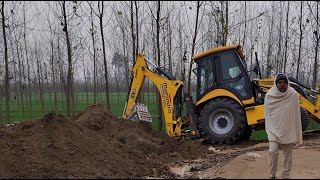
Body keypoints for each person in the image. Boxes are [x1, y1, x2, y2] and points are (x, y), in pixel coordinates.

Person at [264, 73, 303, 179]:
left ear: (287, 83)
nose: (282, 84)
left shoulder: (293, 95)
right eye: (280, 82)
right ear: (276, 84)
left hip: (288, 129)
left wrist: (296, 131)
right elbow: (268, 115)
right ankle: (272, 174)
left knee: (288, 155)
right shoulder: (269, 96)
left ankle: (285, 175)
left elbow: (296, 115)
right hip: (273, 130)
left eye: (284, 82)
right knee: (272, 151)